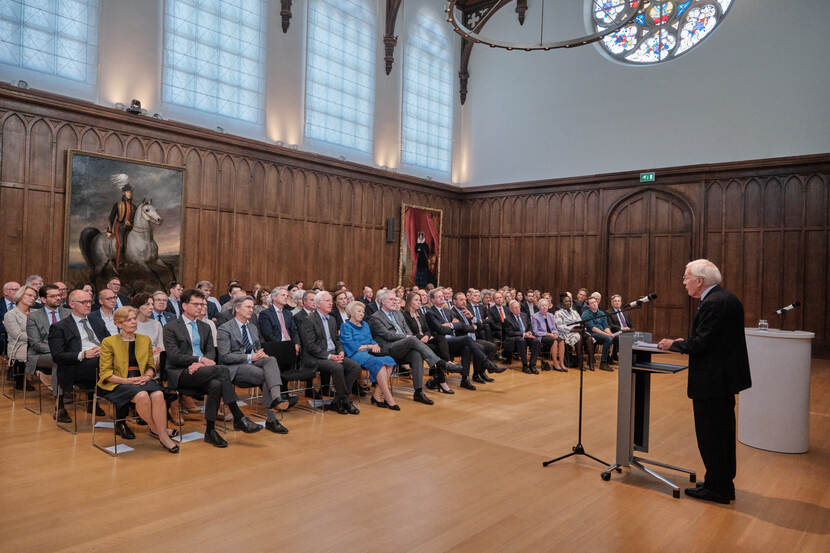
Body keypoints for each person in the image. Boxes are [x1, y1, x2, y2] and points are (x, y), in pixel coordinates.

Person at [657, 259, 752, 504]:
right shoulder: (727, 299)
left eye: (686, 277)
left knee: (711, 435)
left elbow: (702, 344)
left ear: (700, 281)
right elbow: (713, 339)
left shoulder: (712, 303)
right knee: (722, 434)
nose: (684, 282)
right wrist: (689, 340)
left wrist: (673, 344)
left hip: (711, 381)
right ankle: (719, 482)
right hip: (723, 380)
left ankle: (717, 489)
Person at [162, 288, 262, 448]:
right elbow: (173, 356)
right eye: (196, 304)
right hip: (181, 373)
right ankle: (238, 416)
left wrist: (201, 362)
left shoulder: (205, 327)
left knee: (216, 385)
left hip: (203, 370)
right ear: (184, 306)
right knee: (222, 370)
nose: (201, 307)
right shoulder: (171, 327)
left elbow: (210, 351)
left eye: (202, 304)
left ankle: (210, 431)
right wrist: (198, 359)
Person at [97, 306, 179, 453]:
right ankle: (161, 433)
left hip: (142, 379)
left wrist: (147, 376)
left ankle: (158, 431)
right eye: (128, 320)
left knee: (158, 394)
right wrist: (127, 381)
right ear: (118, 324)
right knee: (142, 396)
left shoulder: (144, 340)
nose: (133, 322)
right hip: (118, 382)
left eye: (134, 319)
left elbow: (150, 365)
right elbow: (106, 374)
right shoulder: (108, 342)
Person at [370, 290, 461, 402]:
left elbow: (408, 331)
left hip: (403, 345)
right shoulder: (375, 317)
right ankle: (440, 363)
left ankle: (418, 392)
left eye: (395, 299)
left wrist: (408, 336)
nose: (394, 302)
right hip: (388, 348)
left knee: (417, 354)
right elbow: (388, 336)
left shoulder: (398, 313)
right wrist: (407, 337)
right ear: (382, 302)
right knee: (412, 340)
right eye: (391, 299)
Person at [217, 296, 290, 434]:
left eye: (252, 307)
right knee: (266, 375)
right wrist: (251, 356)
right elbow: (224, 356)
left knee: (271, 360)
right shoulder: (225, 328)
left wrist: (260, 353)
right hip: (235, 367)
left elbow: (256, 348)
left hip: (253, 362)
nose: (252, 310)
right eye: (248, 307)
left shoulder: (252, 327)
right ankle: (272, 419)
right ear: (237, 309)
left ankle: (276, 399)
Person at [48, 290, 109, 423]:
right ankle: (110, 393)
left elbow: (109, 341)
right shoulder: (59, 327)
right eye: (83, 302)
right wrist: (84, 354)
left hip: (102, 358)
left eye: (89, 302)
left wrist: (105, 349)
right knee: (98, 361)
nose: (88, 305)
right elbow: (58, 356)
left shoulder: (97, 321)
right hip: (76, 365)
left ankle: (126, 398)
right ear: (72, 304)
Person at [298, 291, 361, 415]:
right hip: (315, 357)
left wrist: (341, 352)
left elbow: (337, 340)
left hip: (333, 354)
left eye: (331, 301)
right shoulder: (308, 320)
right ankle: (346, 401)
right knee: (337, 367)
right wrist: (330, 356)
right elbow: (310, 346)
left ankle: (338, 400)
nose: (331, 303)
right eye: (327, 301)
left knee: (355, 367)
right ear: (318, 304)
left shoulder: (332, 319)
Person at [340, 301, 400, 410]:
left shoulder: (365, 325)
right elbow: (352, 345)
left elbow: (371, 340)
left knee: (389, 360)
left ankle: (377, 395)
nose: (362, 314)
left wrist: (375, 344)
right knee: (380, 364)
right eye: (359, 311)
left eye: (363, 312)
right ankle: (388, 398)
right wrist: (369, 346)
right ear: (351, 313)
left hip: (369, 352)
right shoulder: (346, 326)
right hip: (355, 354)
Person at [402, 292, 454, 394]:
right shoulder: (405, 315)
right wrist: (421, 337)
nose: (419, 302)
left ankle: (446, 362)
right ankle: (442, 379)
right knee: (436, 351)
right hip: (415, 343)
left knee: (440, 338)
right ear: (409, 302)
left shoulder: (420, 314)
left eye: (419, 300)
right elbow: (407, 333)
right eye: (416, 300)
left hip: (425, 341)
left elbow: (427, 329)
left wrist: (427, 336)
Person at [27, 284, 72, 390]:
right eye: (53, 296)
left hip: (66, 351)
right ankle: (60, 398)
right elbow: (36, 344)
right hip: (40, 354)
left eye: (59, 295)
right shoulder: (33, 317)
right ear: (43, 299)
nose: (58, 298)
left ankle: (90, 399)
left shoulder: (69, 313)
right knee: (60, 360)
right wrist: (58, 351)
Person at [4, 285, 38, 390]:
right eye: (29, 295)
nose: (32, 298)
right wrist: (37, 339)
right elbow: (18, 335)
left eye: (34, 297)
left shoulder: (35, 313)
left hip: (35, 344)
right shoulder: (10, 315)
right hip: (19, 346)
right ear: (20, 295)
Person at [555, 293, 593, 371]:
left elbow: (580, 322)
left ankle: (591, 362)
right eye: (566, 301)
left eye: (569, 301)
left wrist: (581, 329)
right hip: (566, 333)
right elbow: (559, 326)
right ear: (562, 304)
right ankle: (580, 363)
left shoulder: (574, 312)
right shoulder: (558, 313)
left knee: (589, 338)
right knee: (578, 338)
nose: (568, 303)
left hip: (577, 331)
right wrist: (572, 329)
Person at [503, 300, 541, 374]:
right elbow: (510, 333)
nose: (517, 309)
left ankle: (532, 365)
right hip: (515, 338)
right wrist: (523, 334)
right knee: (521, 341)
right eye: (515, 308)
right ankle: (525, 365)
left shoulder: (524, 315)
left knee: (536, 341)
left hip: (527, 335)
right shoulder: (507, 319)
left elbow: (530, 326)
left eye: (518, 307)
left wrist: (530, 332)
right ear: (511, 309)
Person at [531, 298, 567, 372]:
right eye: (542, 305)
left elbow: (554, 328)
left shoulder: (550, 315)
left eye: (546, 305)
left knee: (561, 340)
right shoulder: (535, 316)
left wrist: (555, 333)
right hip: (541, 336)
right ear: (539, 307)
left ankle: (561, 363)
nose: (544, 307)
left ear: (548, 306)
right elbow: (535, 331)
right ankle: (555, 363)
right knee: (554, 341)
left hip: (551, 335)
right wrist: (548, 334)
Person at [131, 293, 164, 366]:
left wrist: (159, 351)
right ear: (138, 306)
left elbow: (161, 346)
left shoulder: (157, 324)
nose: (151, 307)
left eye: (152, 304)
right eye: (147, 304)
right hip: (136, 359)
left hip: (156, 358)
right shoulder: (130, 324)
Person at [581, 297, 613, 371]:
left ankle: (609, 360)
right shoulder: (586, 314)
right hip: (591, 334)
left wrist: (610, 333)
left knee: (612, 337)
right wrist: (606, 335)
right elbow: (593, 328)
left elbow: (606, 326)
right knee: (608, 339)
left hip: (601, 333)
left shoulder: (601, 313)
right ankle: (603, 363)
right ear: (589, 306)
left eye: (595, 302)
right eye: (592, 303)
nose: (594, 304)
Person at [607, 294, 633, 363]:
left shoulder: (625, 312)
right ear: (612, 303)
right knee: (623, 337)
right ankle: (621, 357)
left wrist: (629, 329)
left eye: (619, 301)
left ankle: (632, 357)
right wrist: (622, 328)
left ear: (621, 303)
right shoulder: (608, 312)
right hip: (615, 332)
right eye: (615, 301)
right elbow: (610, 325)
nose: (617, 302)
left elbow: (630, 324)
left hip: (627, 331)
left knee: (638, 336)